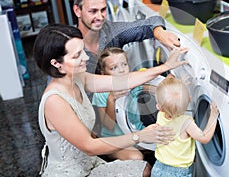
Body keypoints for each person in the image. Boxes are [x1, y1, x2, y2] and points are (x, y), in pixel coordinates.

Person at [34, 24, 188, 177]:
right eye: (77, 55)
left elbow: (123, 81)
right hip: (71, 173)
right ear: (56, 64)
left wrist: (165, 67)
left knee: (144, 169)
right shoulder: (55, 101)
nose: (86, 58)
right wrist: (140, 136)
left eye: (82, 51)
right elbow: (89, 146)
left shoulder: (77, 78)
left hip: (90, 163)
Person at [72, 0, 181, 74]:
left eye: (103, 10)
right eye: (93, 11)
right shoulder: (67, 45)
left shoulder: (112, 31)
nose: (100, 17)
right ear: (77, 11)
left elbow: (150, 23)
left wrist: (159, 33)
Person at [92, 47, 154, 161]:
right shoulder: (101, 93)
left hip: (137, 132)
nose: (121, 70)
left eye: (124, 64)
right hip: (114, 139)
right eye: (114, 68)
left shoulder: (133, 84)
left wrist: (169, 84)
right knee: (137, 159)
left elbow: (154, 88)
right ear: (103, 73)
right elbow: (108, 126)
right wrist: (111, 99)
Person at [151, 76, 220, 177]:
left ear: (159, 107)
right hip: (178, 172)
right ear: (189, 99)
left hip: (158, 168)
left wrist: (181, 87)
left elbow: (171, 100)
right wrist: (213, 116)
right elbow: (204, 137)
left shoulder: (160, 114)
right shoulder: (186, 123)